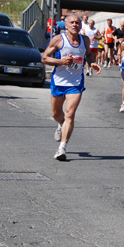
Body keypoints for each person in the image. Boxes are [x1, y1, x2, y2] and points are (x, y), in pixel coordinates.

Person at [41, 14, 102, 160]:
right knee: (56, 114)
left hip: (75, 83)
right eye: (72, 22)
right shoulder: (58, 40)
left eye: (77, 22)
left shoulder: (85, 40)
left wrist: (91, 63)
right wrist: (61, 62)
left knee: (70, 114)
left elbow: (88, 54)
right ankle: (61, 124)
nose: (75, 24)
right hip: (58, 81)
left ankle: (62, 148)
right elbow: (44, 58)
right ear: (66, 25)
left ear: (80, 26)